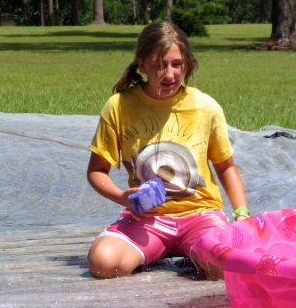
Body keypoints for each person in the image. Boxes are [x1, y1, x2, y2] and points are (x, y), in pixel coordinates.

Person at [86, 21, 248, 280]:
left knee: (226, 267)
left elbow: (226, 167)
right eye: (160, 64)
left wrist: (242, 215)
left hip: (201, 216)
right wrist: (123, 197)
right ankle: (156, 249)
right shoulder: (119, 106)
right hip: (147, 219)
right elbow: (96, 171)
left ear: (187, 63)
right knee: (103, 264)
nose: (170, 74)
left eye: (177, 64)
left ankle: (195, 250)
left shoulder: (205, 107)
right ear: (142, 65)